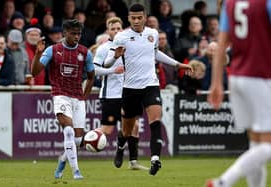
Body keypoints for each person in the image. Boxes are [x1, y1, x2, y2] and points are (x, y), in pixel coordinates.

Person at [104, 4, 193, 175]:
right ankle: (121, 146)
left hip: (151, 84)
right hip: (130, 87)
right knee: (127, 129)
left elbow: (156, 54)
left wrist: (178, 64)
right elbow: (107, 62)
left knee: (155, 120)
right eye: (133, 18)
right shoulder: (121, 37)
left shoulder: (152, 34)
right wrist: (116, 55)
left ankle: (155, 159)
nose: (136, 21)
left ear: (145, 17)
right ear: (129, 19)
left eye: (139, 17)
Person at [206, 0, 271, 187]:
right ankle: (223, 182)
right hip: (261, 77)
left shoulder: (230, 3)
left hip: (237, 79)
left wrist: (216, 83)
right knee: (267, 146)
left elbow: (221, 45)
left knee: (256, 144)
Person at [31, 19, 95, 180]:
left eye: (79, 34)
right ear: (64, 33)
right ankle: (76, 172)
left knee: (79, 140)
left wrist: (85, 96)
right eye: (73, 33)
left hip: (77, 97)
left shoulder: (85, 52)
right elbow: (35, 72)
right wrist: (38, 54)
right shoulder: (53, 50)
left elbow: (92, 76)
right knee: (68, 130)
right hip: (60, 95)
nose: (77, 37)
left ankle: (62, 160)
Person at [93, 16, 148, 170]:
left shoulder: (130, 46)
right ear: (108, 31)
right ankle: (78, 144)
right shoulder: (104, 48)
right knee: (107, 129)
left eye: (118, 28)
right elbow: (94, 69)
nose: (116, 31)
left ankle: (133, 162)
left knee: (134, 126)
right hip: (111, 95)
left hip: (128, 93)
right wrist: (112, 70)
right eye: (113, 29)